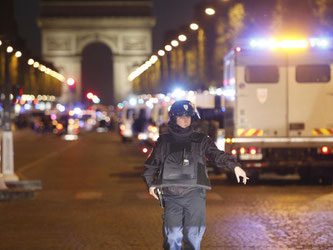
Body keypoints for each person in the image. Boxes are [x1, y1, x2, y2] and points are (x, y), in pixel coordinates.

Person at [142, 100, 249, 250]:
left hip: (195, 194)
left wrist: (235, 166)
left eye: (188, 116)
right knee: (172, 237)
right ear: (174, 118)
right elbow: (151, 165)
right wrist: (150, 184)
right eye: (181, 116)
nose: (185, 120)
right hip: (171, 195)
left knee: (193, 237)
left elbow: (216, 155)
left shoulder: (201, 140)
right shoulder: (164, 141)